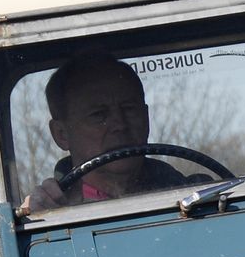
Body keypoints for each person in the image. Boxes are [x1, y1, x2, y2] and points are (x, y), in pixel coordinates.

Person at [24, 54, 200, 207]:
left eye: (129, 109)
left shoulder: (195, 196)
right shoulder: (51, 217)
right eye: (99, 115)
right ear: (61, 134)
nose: (120, 125)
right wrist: (39, 215)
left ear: (146, 118)